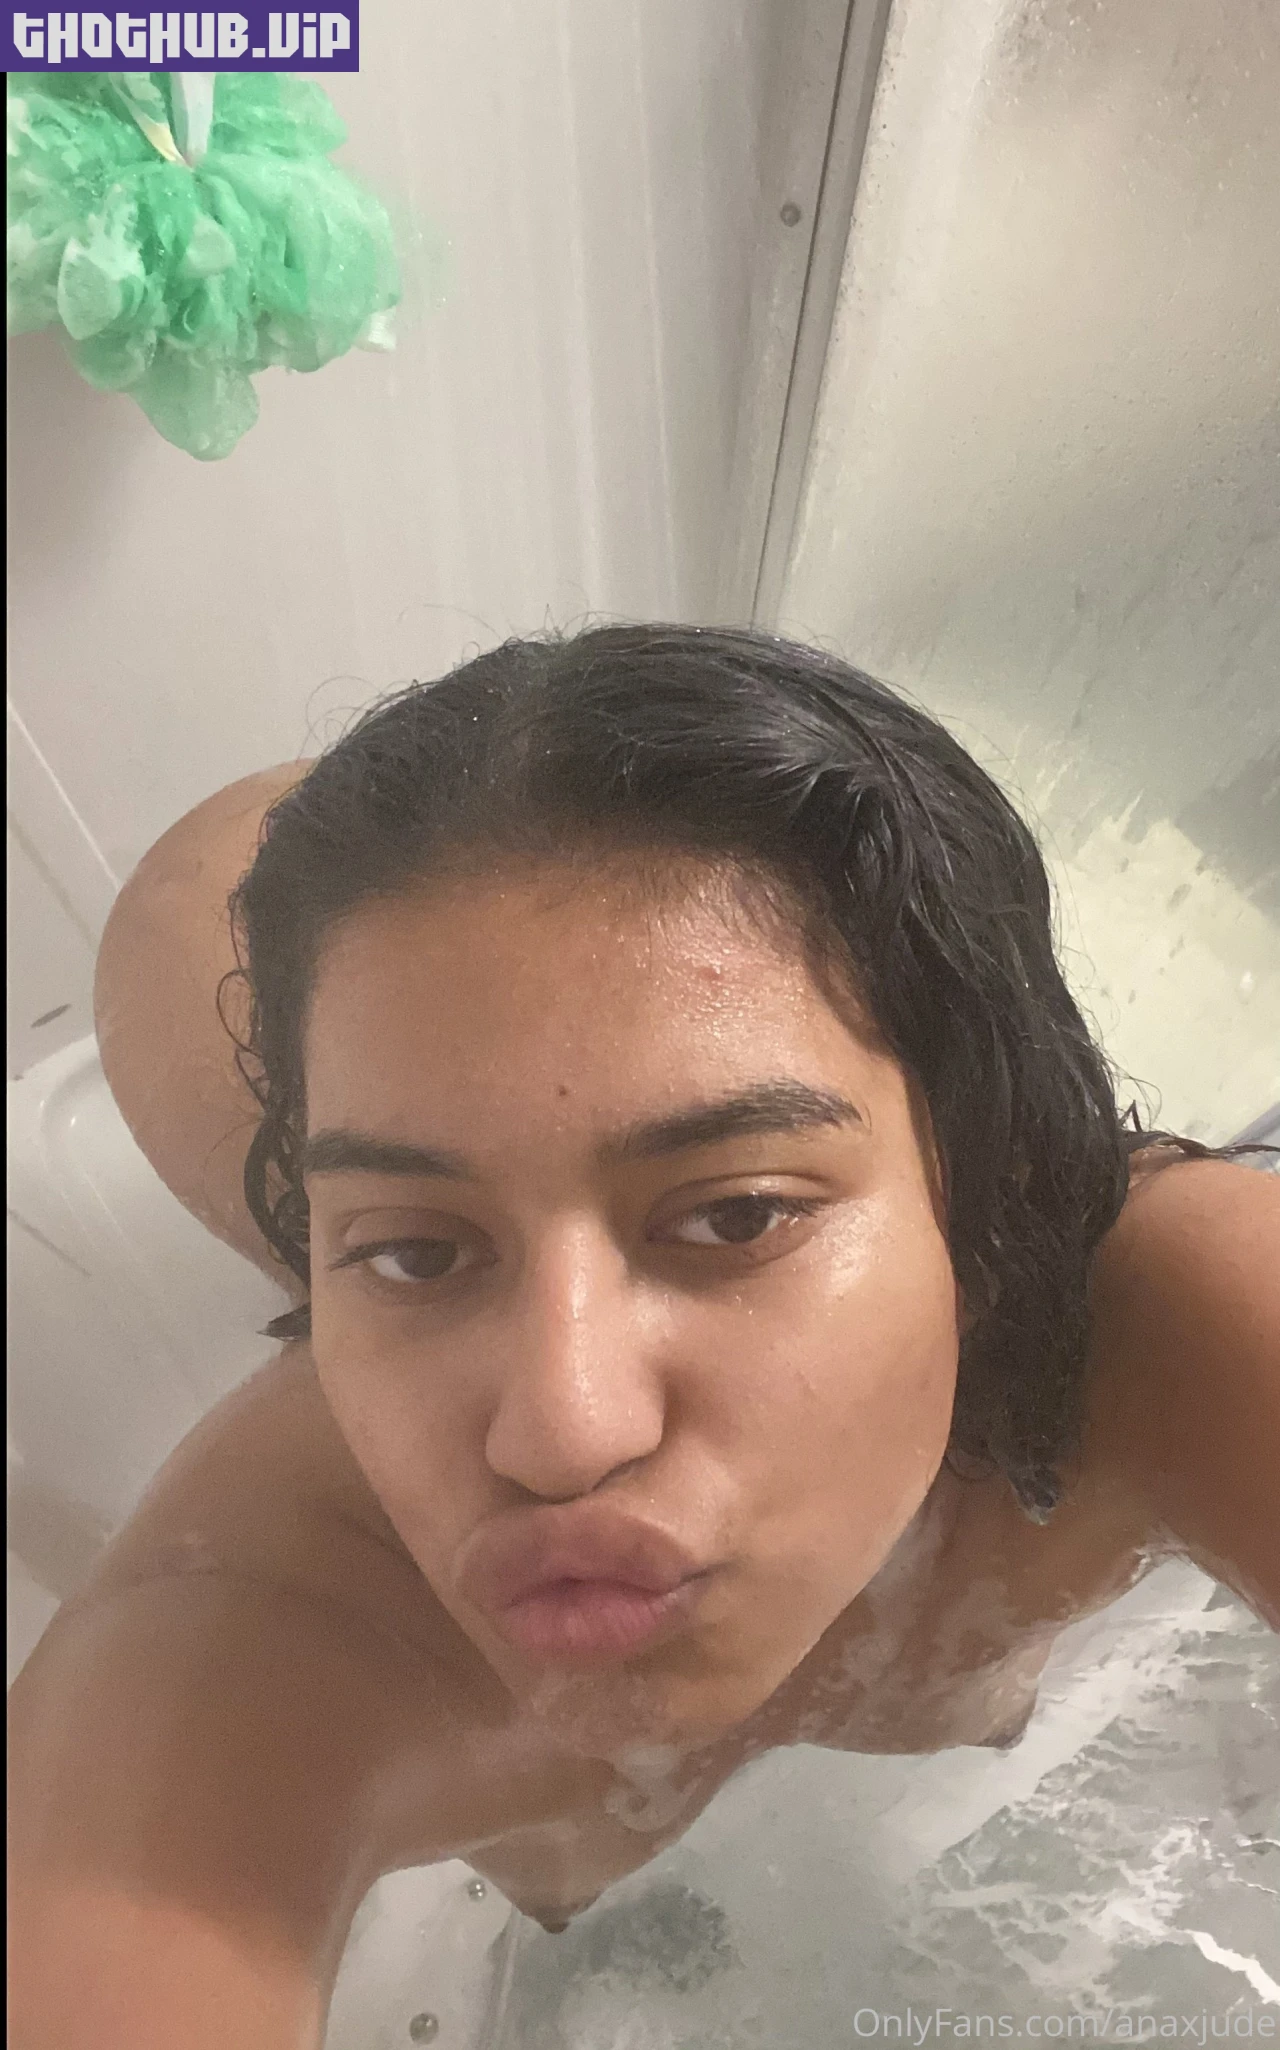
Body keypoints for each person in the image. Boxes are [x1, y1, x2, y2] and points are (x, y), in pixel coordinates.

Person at [9, 624, 1278, 2049]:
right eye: (414, 1249)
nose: (563, 1433)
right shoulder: (256, 1634)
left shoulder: (1157, 1313)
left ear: (978, 1186)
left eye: (736, 1216)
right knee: (191, 921)